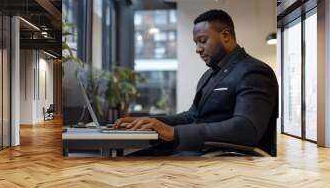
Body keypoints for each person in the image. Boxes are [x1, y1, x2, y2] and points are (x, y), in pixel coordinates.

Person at [114, 9, 278, 156]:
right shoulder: (208, 75)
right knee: (132, 159)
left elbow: (246, 128)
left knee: (133, 164)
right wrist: (149, 121)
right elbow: (192, 116)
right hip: (199, 149)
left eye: (203, 40)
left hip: (222, 156)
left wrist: (175, 133)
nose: (198, 49)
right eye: (196, 43)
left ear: (226, 36)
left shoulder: (254, 71)